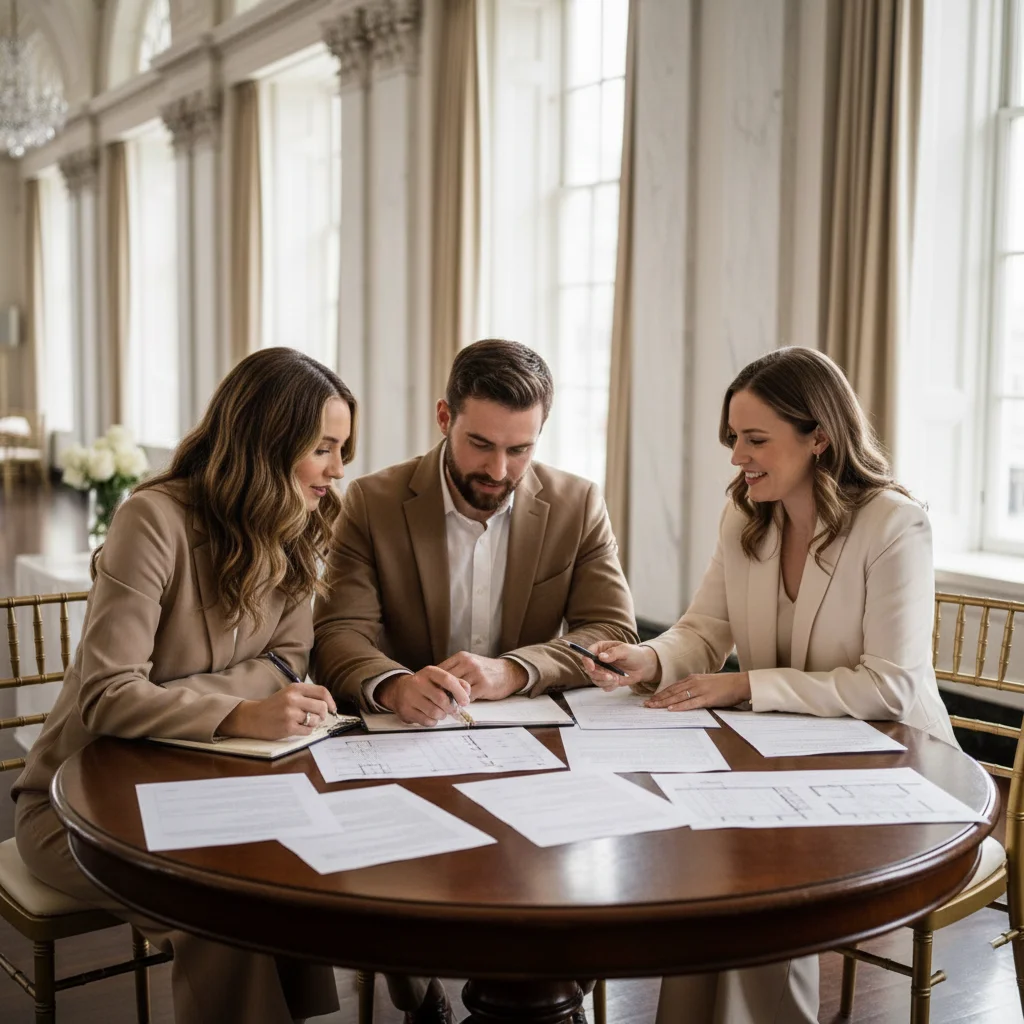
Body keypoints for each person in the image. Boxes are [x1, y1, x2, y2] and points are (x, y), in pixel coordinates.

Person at [579, 347, 956, 1024]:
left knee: (756, 876)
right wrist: (647, 658)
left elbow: (891, 688)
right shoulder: (747, 513)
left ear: (819, 436)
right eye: (734, 439)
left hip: (894, 770)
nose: (736, 457)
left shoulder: (894, 525)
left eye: (755, 440)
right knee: (716, 864)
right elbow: (703, 630)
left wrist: (743, 685)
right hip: (781, 761)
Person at [14, 347, 357, 1024]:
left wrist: (182, 693)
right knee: (220, 913)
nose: (338, 470)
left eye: (342, 448)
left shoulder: (298, 525)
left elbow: (291, 663)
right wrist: (239, 711)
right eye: (323, 448)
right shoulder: (152, 520)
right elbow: (108, 695)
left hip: (207, 788)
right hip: (78, 808)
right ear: (269, 442)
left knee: (295, 881)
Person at [313, 338, 637, 1022]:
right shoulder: (371, 502)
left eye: (520, 449)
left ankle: (547, 996)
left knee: (556, 883)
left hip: (541, 763)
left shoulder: (578, 504)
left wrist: (516, 670)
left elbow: (611, 633)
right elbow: (338, 634)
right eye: (480, 444)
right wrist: (393, 683)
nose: (498, 469)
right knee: (406, 884)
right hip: (405, 752)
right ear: (443, 417)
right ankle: (427, 987)